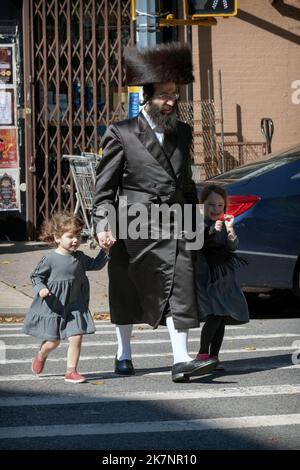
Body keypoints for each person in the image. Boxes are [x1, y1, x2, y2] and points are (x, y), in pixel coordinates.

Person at [93, 42, 217, 383]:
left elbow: (188, 184)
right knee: (126, 289)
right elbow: (104, 190)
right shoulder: (122, 132)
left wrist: (197, 229)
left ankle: (181, 360)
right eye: (164, 95)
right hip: (133, 224)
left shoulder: (183, 131)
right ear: (147, 97)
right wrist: (103, 224)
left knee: (182, 286)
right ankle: (124, 351)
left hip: (176, 223)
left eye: (174, 94)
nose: (171, 101)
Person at [22, 212, 108, 383]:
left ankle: (71, 371)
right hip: (55, 304)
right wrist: (41, 289)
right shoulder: (50, 258)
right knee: (53, 342)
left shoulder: (80, 258)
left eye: (78, 236)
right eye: (70, 236)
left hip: (76, 304)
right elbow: (36, 277)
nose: (75, 240)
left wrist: (105, 250)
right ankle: (41, 354)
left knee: (76, 336)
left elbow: (97, 265)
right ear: (57, 237)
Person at [195, 184, 249, 370]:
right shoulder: (201, 224)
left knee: (222, 317)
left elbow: (233, 247)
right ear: (202, 205)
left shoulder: (225, 224)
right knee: (215, 316)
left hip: (226, 277)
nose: (215, 209)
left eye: (220, 205)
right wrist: (212, 230)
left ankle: (214, 356)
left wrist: (230, 229)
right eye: (211, 204)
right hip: (210, 277)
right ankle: (202, 354)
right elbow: (200, 242)